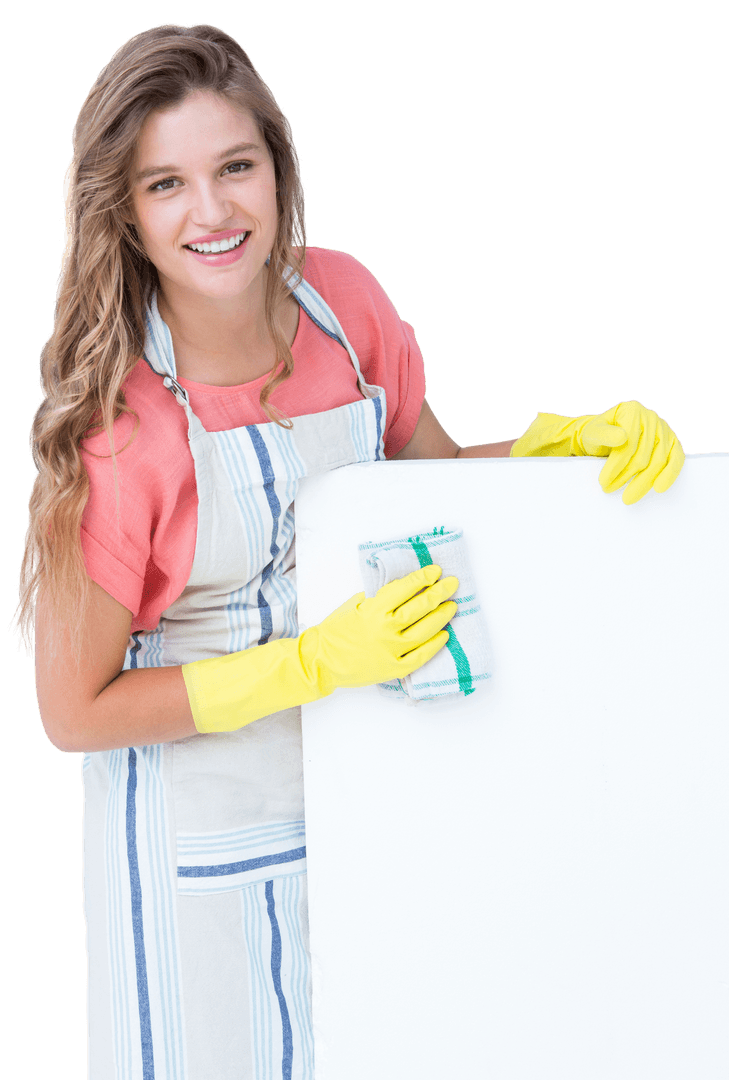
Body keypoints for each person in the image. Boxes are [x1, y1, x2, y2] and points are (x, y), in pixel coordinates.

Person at [10, 22, 684, 1080]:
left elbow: (428, 473)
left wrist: (565, 453)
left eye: (236, 166)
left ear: (278, 167)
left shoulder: (341, 305)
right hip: (197, 853)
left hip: (370, 797)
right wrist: (315, 663)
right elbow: (71, 710)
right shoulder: (119, 423)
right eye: (166, 185)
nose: (214, 211)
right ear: (124, 216)